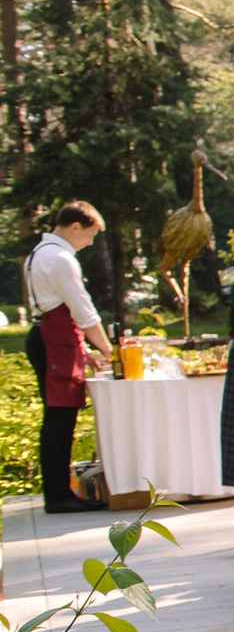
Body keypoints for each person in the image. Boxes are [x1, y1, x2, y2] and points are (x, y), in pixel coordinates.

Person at [23, 201, 112, 513]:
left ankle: (58, 492)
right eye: (88, 236)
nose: (89, 243)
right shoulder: (60, 258)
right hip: (53, 340)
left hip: (50, 336)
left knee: (58, 418)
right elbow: (83, 311)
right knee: (60, 419)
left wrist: (82, 349)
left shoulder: (39, 253)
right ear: (75, 226)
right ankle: (59, 496)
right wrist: (107, 349)